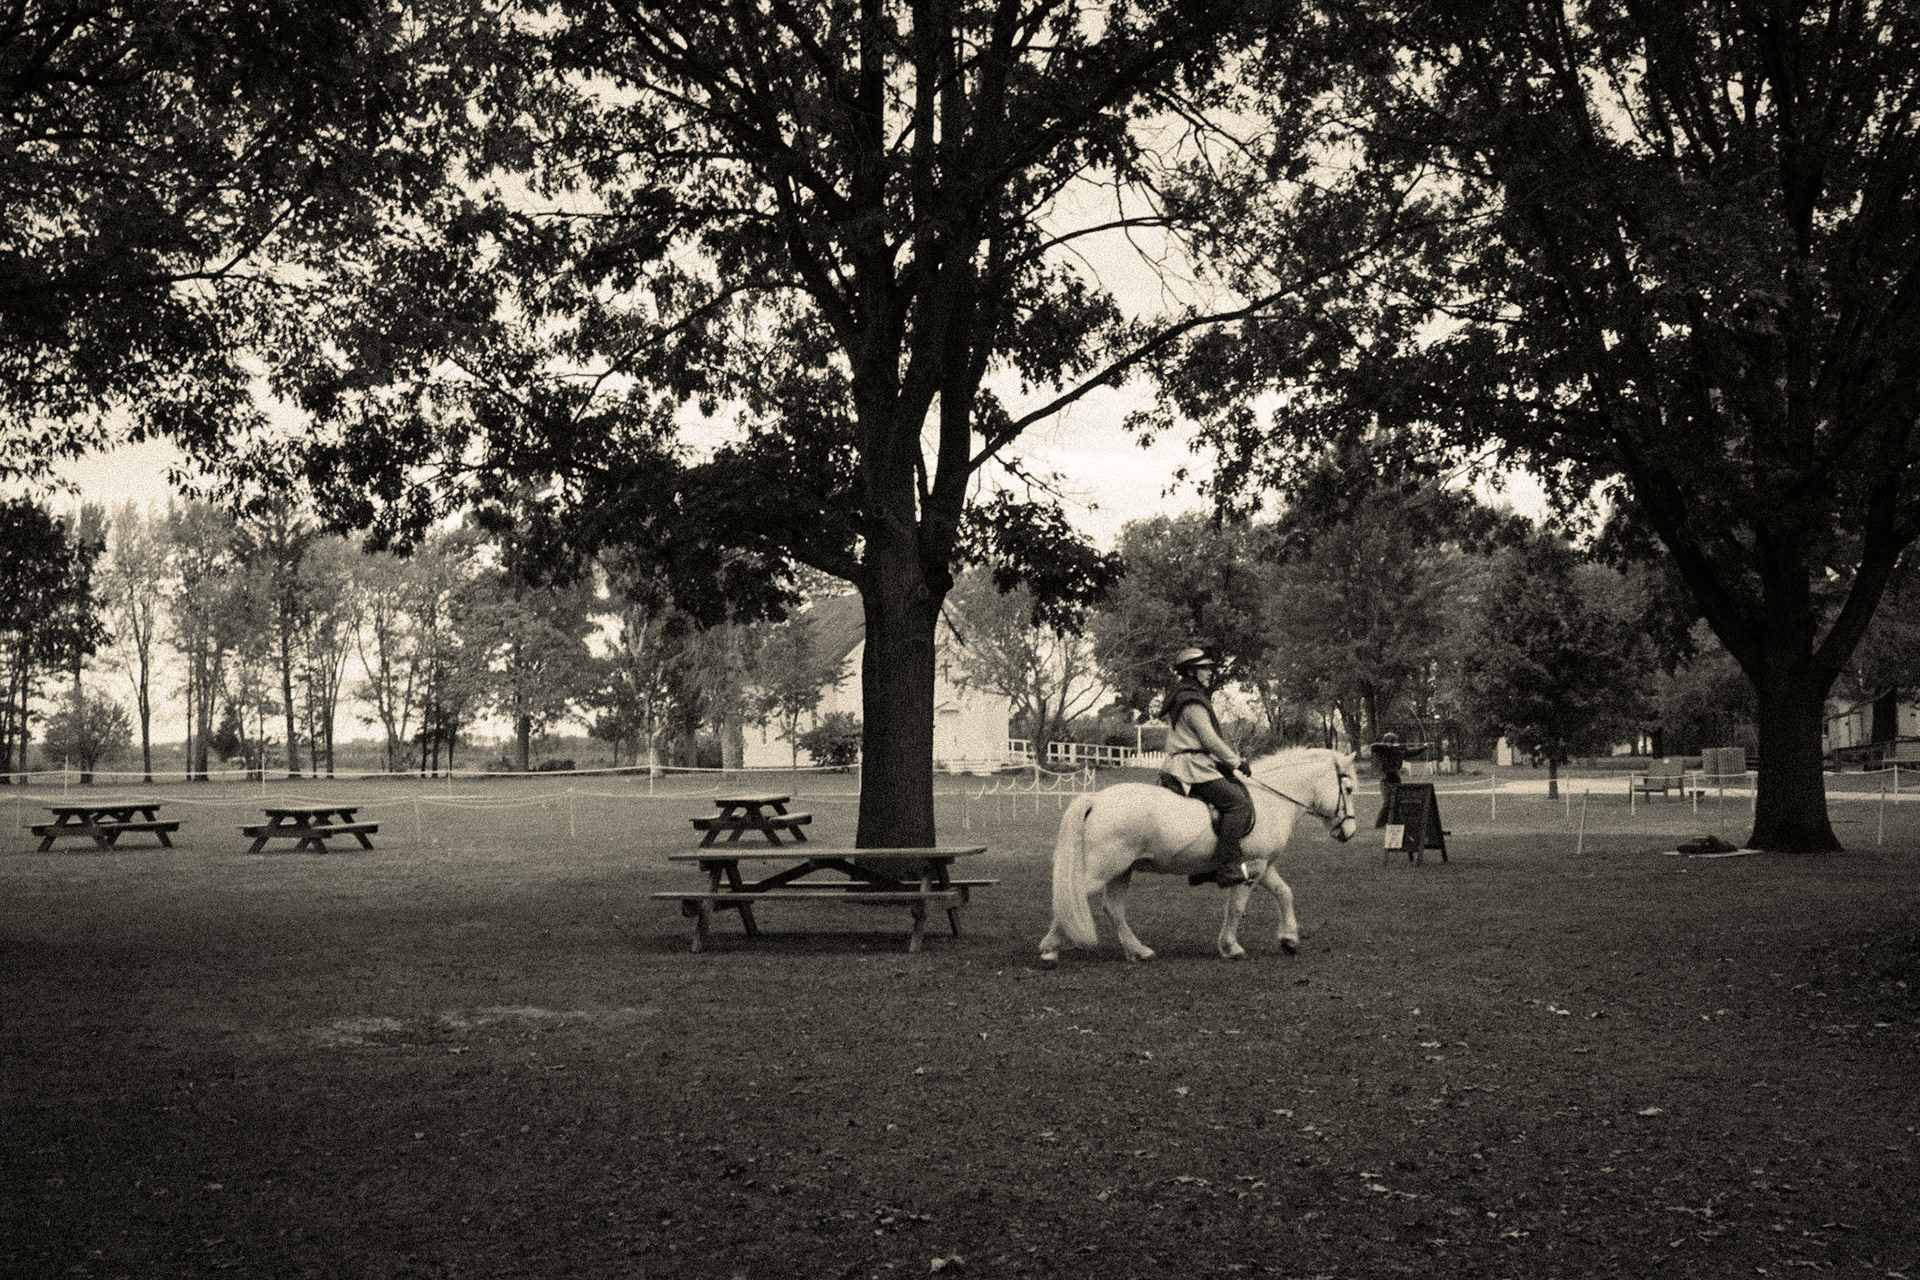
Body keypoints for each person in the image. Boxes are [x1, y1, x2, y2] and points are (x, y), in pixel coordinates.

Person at [1156, 647, 1257, 887]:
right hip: (1192, 766)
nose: (1209, 673)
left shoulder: (1182, 696)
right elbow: (1209, 740)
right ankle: (1226, 867)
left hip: (1188, 763)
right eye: (1204, 669)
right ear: (1191, 672)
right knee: (1238, 804)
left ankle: (1205, 868)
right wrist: (1236, 762)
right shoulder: (1192, 702)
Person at [1370, 731, 1427, 827]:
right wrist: (1388, 746)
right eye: (1394, 741)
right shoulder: (1383, 751)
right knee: (1388, 802)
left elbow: (1413, 752)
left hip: (1396, 779)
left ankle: (1395, 822)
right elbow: (1373, 747)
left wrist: (1424, 748)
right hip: (1386, 780)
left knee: (1397, 802)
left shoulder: (1399, 751)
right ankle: (1380, 824)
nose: (1397, 743)